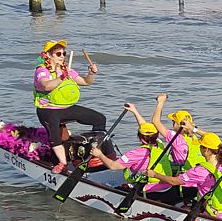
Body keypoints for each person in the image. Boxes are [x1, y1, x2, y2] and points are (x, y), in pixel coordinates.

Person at [33, 40, 104, 173]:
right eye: (58, 53)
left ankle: (94, 153)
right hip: (48, 109)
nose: (62, 56)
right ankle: (63, 163)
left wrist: (91, 74)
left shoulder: (67, 70)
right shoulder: (41, 70)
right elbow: (45, 85)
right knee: (55, 134)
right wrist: (61, 78)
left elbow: (85, 82)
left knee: (99, 119)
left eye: (64, 53)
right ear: (48, 55)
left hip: (66, 108)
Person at [146, 131, 222, 220]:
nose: (199, 148)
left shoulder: (200, 171)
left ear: (206, 150)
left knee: (179, 206)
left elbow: (173, 181)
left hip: (217, 216)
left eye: (200, 146)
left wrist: (155, 174)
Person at [88, 120, 184, 206]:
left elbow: (113, 166)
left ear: (140, 137)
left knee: (118, 188)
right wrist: (134, 111)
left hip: (149, 192)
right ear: (156, 135)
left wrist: (99, 154)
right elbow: (147, 131)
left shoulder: (136, 153)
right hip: (167, 188)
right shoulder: (160, 145)